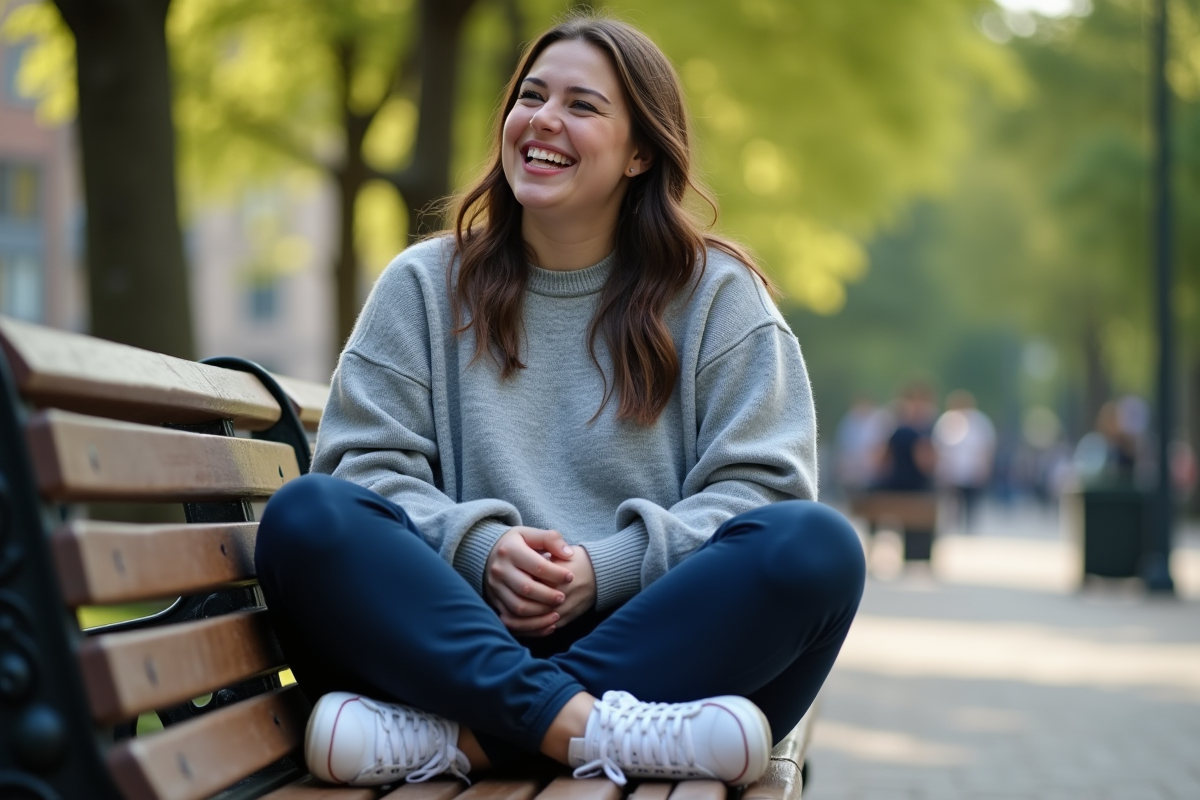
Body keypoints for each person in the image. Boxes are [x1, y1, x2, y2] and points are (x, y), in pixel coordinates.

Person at [254, 13, 865, 791]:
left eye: (582, 105)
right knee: (308, 516)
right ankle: (593, 729)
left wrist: (602, 569)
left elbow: (764, 491)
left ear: (641, 150)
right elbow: (360, 473)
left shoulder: (720, 297)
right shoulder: (420, 285)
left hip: (658, 645)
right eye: (531, 96)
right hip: (450, 636)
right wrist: (478, 549)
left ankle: (472, 741)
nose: (543, 119)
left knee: (817, 546)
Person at [932, 390, 995, 533]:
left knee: (972, 503)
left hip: (972, 470)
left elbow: (986, 448)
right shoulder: (946, 421)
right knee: (952, 503)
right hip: (952, 472)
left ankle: (969, 528)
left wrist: (984, 468)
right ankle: (953, 527)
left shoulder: (980, 422)